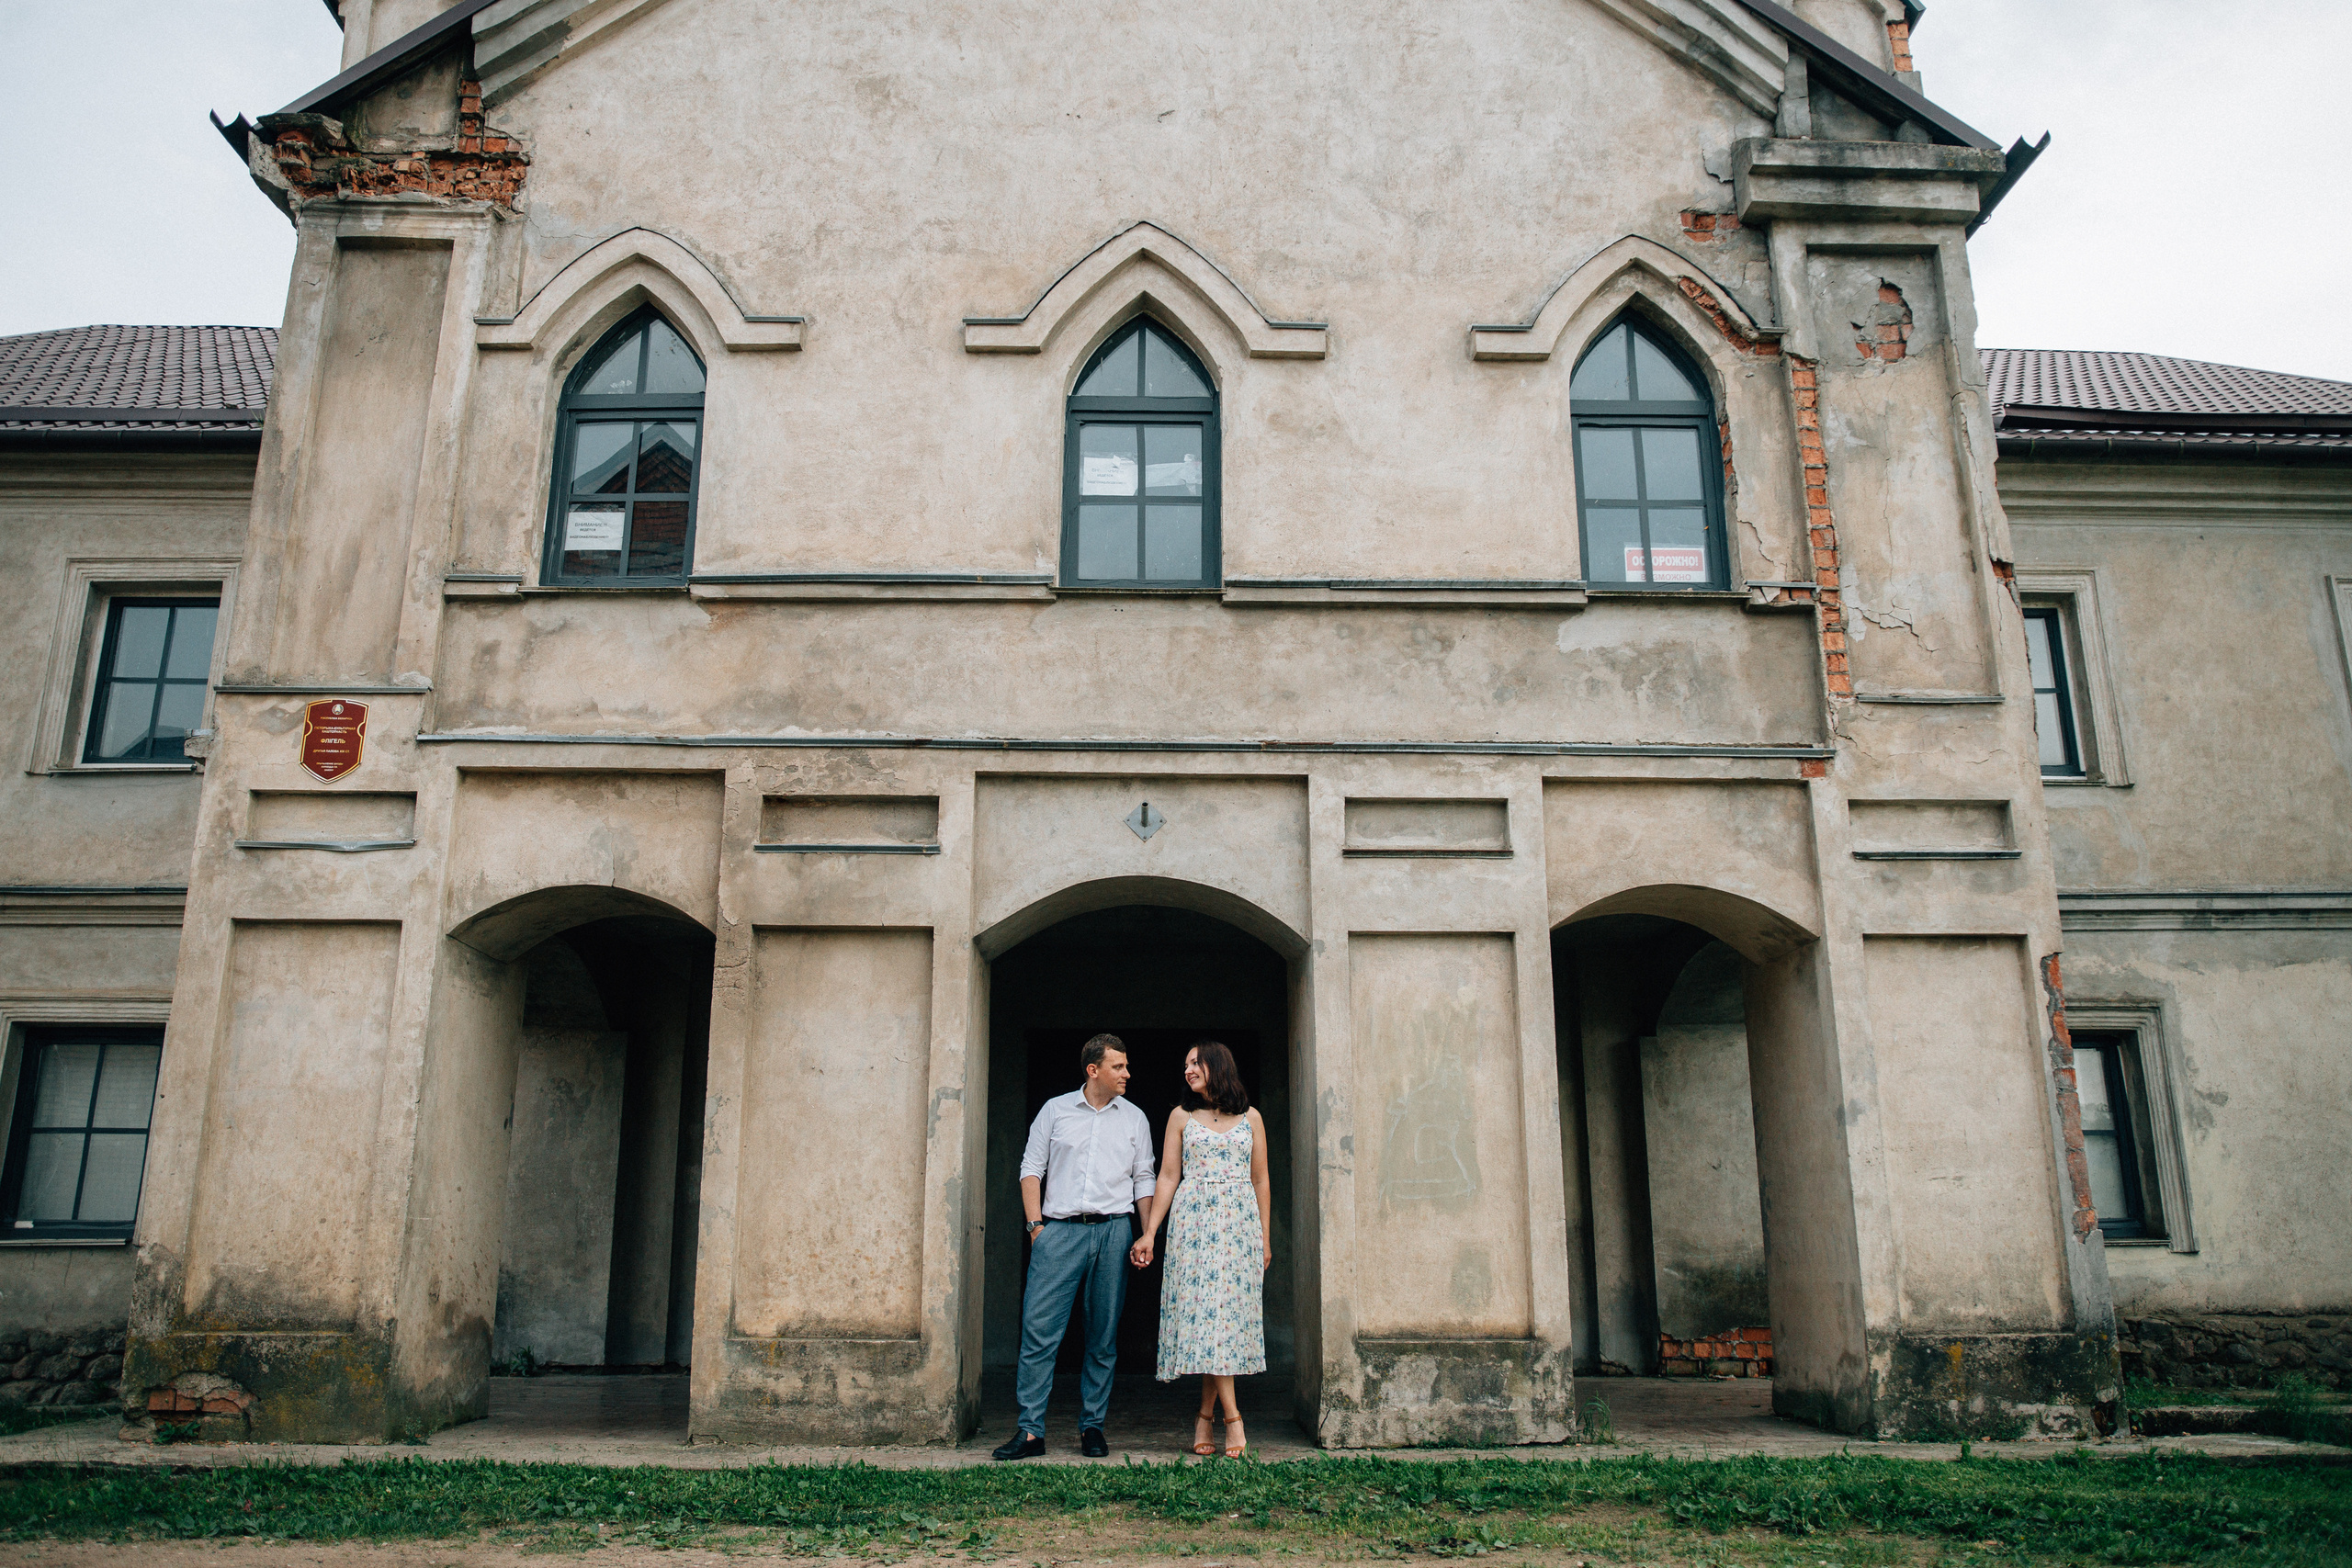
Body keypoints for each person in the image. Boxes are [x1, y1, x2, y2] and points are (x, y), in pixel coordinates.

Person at [991, 1032, 1157, 1461]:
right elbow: (1031, 1169)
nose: (1127, 1073)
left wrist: (1146, 1233)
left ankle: (1093, 1428)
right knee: (1039, 1333)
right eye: (1118, 1066)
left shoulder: (1135, 1117)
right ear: (1093, 1069)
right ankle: (1030, 1432)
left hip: (1114, 1232)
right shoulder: (1055, 1110)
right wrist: (1035, 1227)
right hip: (1058, 1233)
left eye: (1126, 1065)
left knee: (1103, 1335)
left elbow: (1144, 1179)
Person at [1128, 1040, 1271, 1458]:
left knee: (1224, 1324)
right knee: (1208, 1323)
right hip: (1194, 1231)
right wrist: (1150, 1231)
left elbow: (1261, 1179)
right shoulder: (1180, 1116)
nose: (1188, 1070)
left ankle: (1204, 1418)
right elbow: (1168, 1176)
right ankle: (1233, 1419)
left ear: (1217, 1066)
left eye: (1196, 1063)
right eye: (1186, 1064)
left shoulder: (1252, 1118)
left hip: (1240, 1231)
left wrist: (1265, 1237)